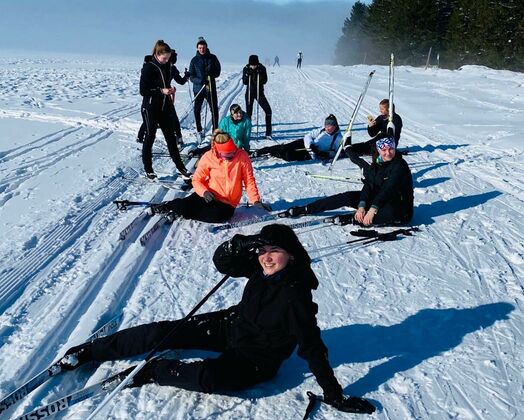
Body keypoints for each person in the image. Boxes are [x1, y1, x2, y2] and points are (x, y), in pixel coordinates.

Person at [58, 224, 375, 415]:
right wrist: (237, 245)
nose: (266, 256)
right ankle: (90, 351)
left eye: (274, 250)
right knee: (162, 332)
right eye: (262, 249)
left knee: (210, 377)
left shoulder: (296, 297)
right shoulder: (259, 268)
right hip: (230, 326)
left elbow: (313, 348)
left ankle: (152, 370)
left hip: (255, 358)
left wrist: (334, 395)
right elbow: (223, 263)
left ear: (291, 254)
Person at [284, 137, 413, 226]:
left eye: (391, 149)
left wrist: (372, 209)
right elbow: (369, 185)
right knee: (348, 197)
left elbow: (388, 189)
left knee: (390, 212)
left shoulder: (400, 165)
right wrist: (362, 205)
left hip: (399, 206)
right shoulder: (377, 163)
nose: (388, 153)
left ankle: (352, 219)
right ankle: (306, 209)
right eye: (384, 150)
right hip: (379, 201)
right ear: (379, 150)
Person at [148, 130, 270, 223]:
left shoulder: (242, 156)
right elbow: (197, 179)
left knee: (218, 217)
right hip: (208, 195)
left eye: (232, 151)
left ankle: (183, 212)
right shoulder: (209, 156)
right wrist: (204, 192)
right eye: (227, 154)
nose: (232, 154)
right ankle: (167, 206)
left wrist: (255, 201)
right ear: (218, 151)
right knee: (185, 206)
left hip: (227, 203)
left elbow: (249, 181)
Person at [139, 40, 189, 179]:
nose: (167, 60)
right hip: (150, 108)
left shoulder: (168, 67)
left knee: (171, 138)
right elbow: (143, 90)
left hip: (164, 107)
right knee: (150, 137)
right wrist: (161, 90)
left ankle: (181, 167)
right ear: (157, 54)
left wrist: (170, 90)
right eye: (164, 58)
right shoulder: (149, 67)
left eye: (168, 58)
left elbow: (170, 83)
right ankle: (148, 169)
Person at [137, 49, 190, 145]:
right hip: (154, 97)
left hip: (166, 98)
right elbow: (145, 88)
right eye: (169, 62)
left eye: (172, 63)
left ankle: (178, 137)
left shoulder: (173, 69)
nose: (170, 64)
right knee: (150, 119)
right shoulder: (158, 68)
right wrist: (161, 90)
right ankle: (141, 137)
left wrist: (186, 77)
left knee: (172, 117)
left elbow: (181, 81)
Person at [251, 114, 342, 162]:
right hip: (304, 144)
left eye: (330, 125)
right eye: (326, 125)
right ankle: (260, 151)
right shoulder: (322, 130)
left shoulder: (338, 137)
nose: (328, 128)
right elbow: (308, 136)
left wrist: (324, 154)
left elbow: (337, 152)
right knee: (284, 147)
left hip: (309, 154)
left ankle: (275, 153)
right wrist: (311, 144)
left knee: (288, 156)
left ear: (335, 126)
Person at [189, 37, 221, 140]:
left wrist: (212, 74)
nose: (202, 49)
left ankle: (215, 131)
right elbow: (191, 76)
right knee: (197, 110)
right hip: (198, 89)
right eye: (200, 48)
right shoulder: (194, 60)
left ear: (206, 47)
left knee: (214, 109)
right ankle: (199, 130)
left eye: (203, 47)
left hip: (210, 88)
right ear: (197, 48)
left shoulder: (213, 57)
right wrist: (201, 80)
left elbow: (218, 71)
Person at [242, 55, 272, 140]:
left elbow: (265, 81)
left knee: (268, 110)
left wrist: (260, 73)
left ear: (257, 63)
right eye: (252, 65)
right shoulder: (246, 68)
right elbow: (244, 82)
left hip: (259, 93)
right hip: (249, 93)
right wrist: (248, 74)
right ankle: (247, 133)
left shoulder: (262, 68)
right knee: (248, 114)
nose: (253, 66)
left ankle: (268, 133)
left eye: (255, 65)